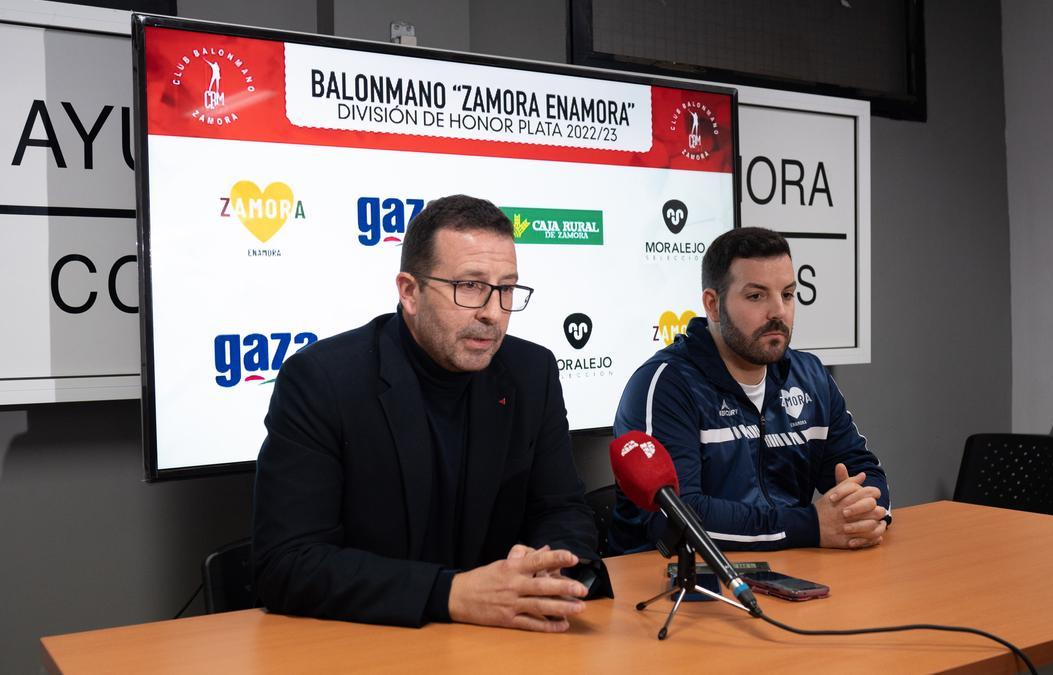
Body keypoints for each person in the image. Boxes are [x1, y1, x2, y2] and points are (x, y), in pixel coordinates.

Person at [253, 194, 610, 632]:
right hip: (375, 644)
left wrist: (550, 568)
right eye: (470, 286)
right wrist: (450, 593)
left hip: (507, 640)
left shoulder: (530, 372)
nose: (493, 313)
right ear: (410, 292)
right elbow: (287, 563)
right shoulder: (323, 380)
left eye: (507, 289)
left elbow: (562, 509)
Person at [610, 227, 890, 554]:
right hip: (671, 583)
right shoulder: (665, 384)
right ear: (713, 305)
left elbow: (865, 472)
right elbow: (675, 516)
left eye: (787, 294)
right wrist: (810, 526)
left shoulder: (810, 375)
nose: (778, 312)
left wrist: (863, 511)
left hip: (787, 569)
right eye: (756, 296)